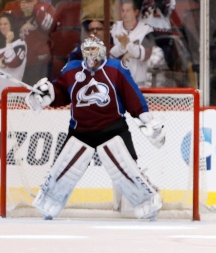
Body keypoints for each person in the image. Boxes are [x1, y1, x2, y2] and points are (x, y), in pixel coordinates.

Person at [25, 36, 165, 220]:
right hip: (80, 130)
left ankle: (147, 203)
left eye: (94, 50)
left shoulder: (115, 69)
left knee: (128, 169)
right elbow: (61, 92)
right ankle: (49, 203)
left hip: (113, 128)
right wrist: (47, 93)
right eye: (87, 50)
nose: (91, 55)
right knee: (63, 168)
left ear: (102, 51)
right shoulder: (72, 70)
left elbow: (132, 94)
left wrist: (145, 118)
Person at [2, 0, 56, 85]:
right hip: (17, 62)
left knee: (37, 96)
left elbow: (51, 27)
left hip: (39, 62)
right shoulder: (12, 6)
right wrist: (18, 12)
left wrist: (36, 11)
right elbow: (2, 27)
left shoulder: (46, 7)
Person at [110, 1, 160, 87]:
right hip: (117, 81)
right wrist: (121, 47)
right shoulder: (114, 28)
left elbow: (145, 55)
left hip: (138, 83)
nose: (124, 14)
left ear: (136, 12)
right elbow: (108, 55)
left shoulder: (146, 29)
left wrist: (128, 45)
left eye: (128, 10)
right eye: (122, 10)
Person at [0, 12, 27, 93]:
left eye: (5, 24)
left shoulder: (20, 44)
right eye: (0, 24)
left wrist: (8, 43)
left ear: (12, 25)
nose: (2, 27)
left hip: (12, 94)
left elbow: (12, 62)